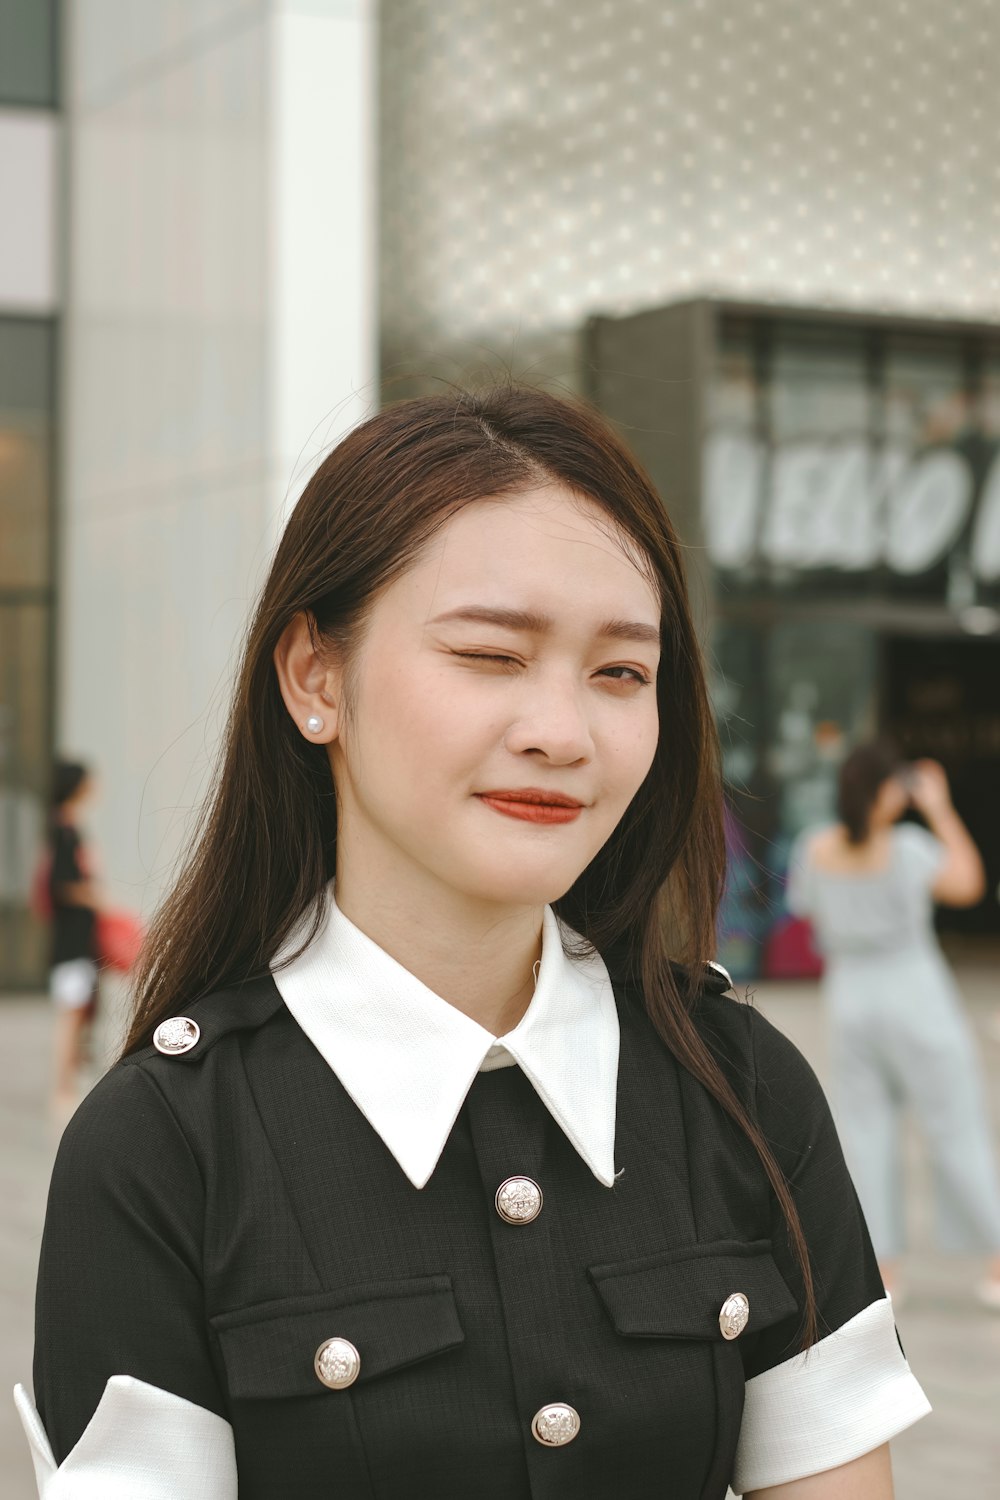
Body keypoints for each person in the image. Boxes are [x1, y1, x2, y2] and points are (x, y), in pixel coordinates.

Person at [16, 389, 929, 1499]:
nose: (561, 731)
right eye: (492, 655)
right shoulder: (163, 1151)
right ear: (315, 677)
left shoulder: (740, 1085)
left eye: (620, 673)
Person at [786, 741, 1000, 1310]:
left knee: (867, 1135)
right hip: (917, 997)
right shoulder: (907, 848)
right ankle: (997, 1262)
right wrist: (941, 808)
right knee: (956, 1129)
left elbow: (805, 910)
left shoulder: (815, 847)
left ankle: (885, 1272)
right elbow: (968, 883)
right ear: (883, 791)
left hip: (851, 1000)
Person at [45, 760, 101, 1121]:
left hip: (77, 940)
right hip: (71, 941)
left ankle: (70, 1082)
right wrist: (95, 897)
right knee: (71, 1015)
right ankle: (62, 1088)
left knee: (78, 1013)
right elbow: (61, 885)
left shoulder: (64, 828)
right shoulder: (64, 831)